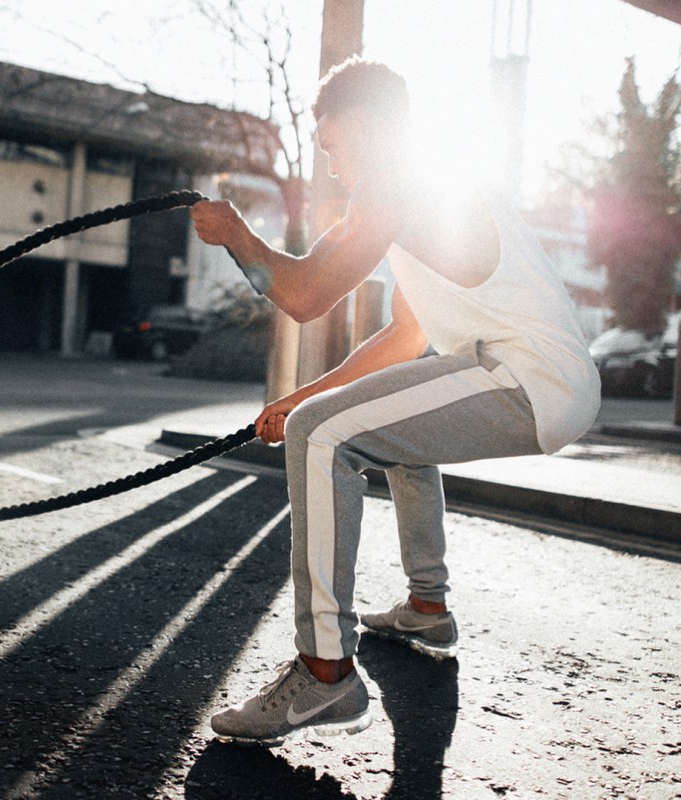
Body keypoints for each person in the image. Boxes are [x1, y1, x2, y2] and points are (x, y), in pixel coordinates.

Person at [190, 56, 600, 746]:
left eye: (331, 146)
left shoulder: (397, 183)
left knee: (322, 438)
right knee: (375, 423)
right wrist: (302, 397)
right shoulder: (430, 195)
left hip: (527, 377)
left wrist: (238, 236)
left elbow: (305, 295)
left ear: (368, 126)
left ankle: (325, 675)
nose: (332, 166)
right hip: (536, 377)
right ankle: (426, 605)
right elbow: (404, 339)